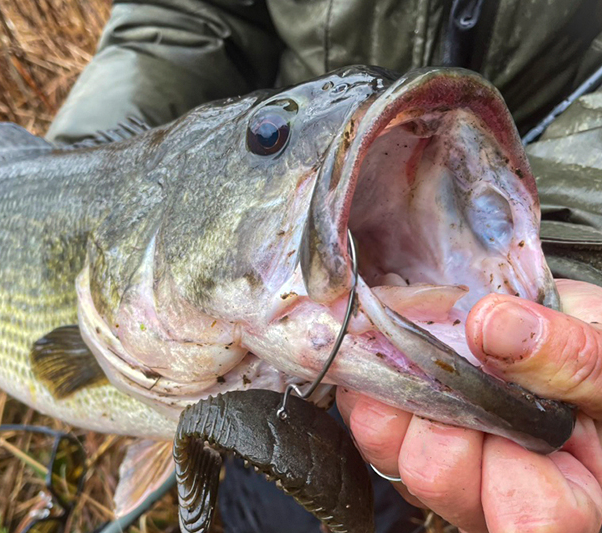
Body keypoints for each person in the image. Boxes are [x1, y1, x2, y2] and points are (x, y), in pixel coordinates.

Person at [46, 1, 602, 532]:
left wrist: (572, 262)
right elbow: (188, 14)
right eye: (267, 138)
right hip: (280, 330)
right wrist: (80, 169)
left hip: (333, 344)